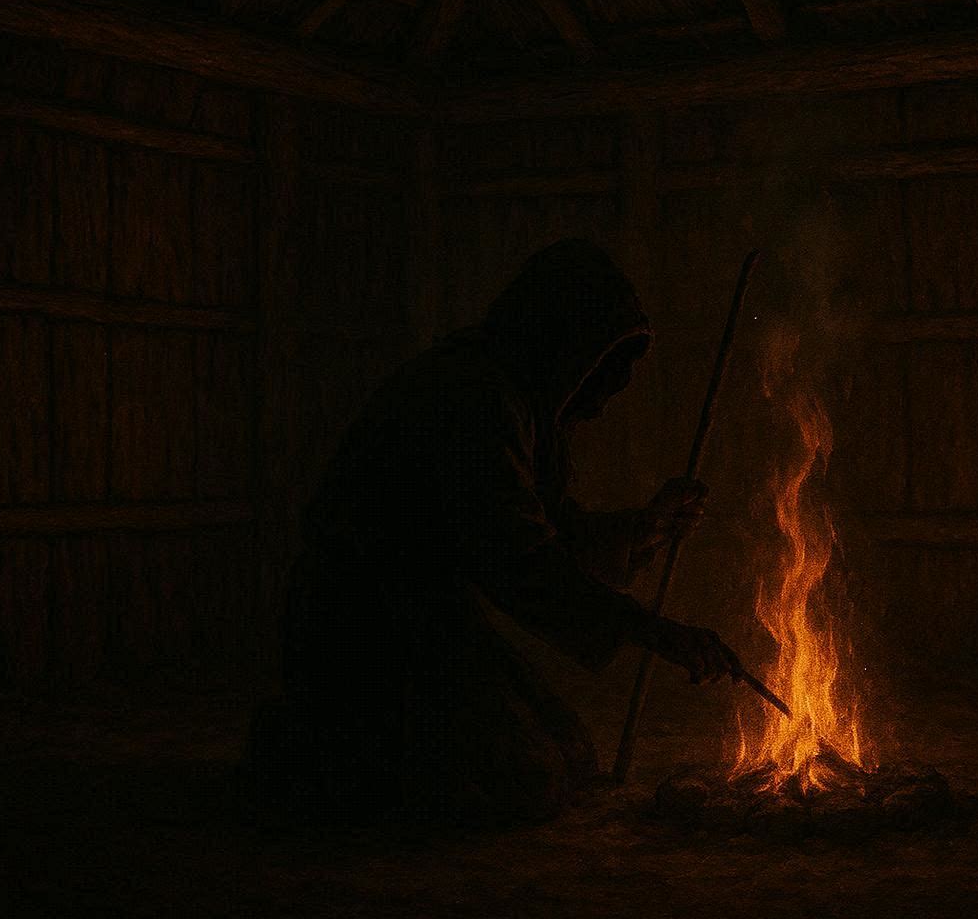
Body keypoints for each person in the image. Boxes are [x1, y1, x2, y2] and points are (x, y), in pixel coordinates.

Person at [248, 238, 744, 822]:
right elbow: (523, 562)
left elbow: (553, 530)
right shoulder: (473, 401)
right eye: (602, 371)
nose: (608, 396)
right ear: (563, 345)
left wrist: (648, 529)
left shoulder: (521, 405)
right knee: (522, 778)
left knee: (572, 756)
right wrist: (653, 631)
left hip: (431, 619)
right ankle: (309, 742)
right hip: (363, 621)